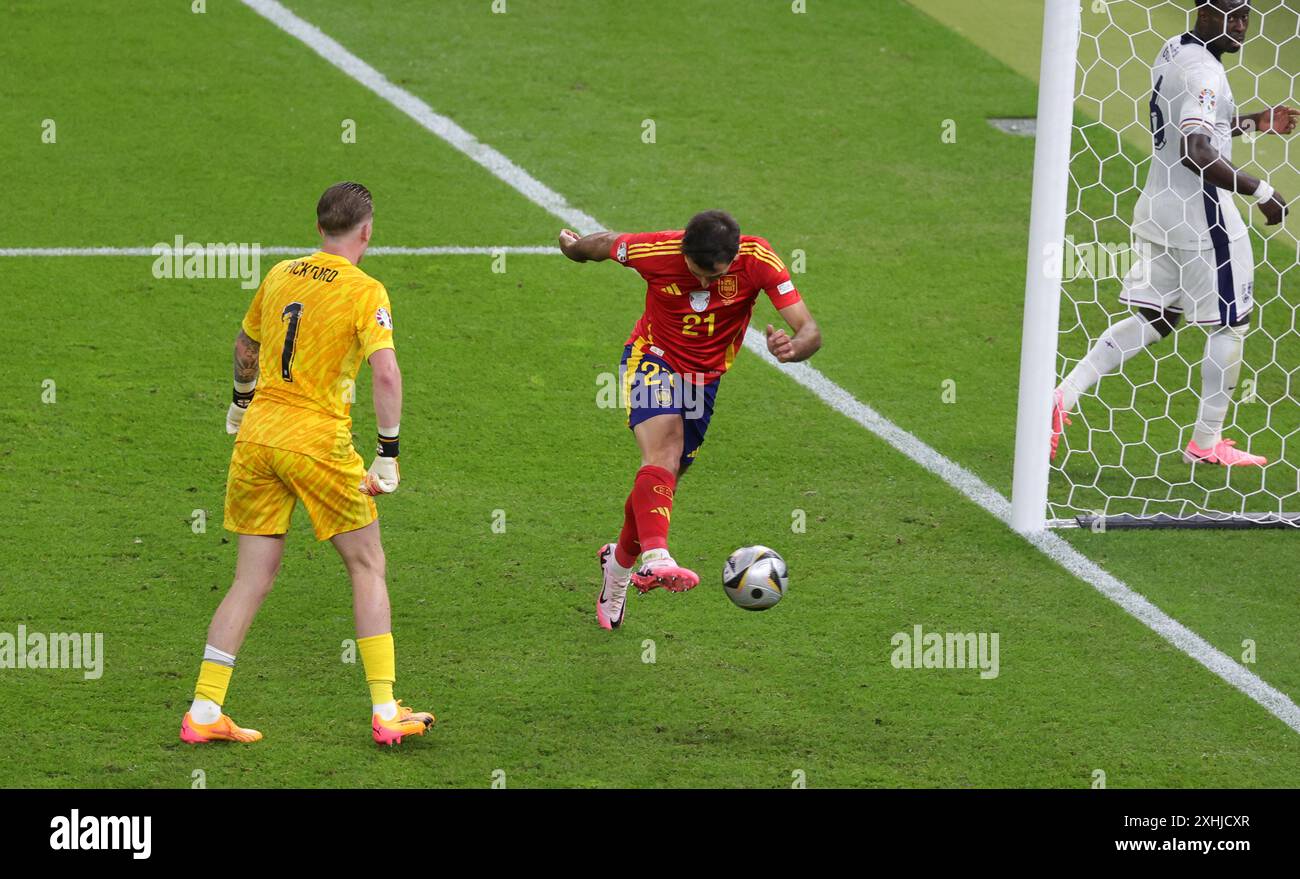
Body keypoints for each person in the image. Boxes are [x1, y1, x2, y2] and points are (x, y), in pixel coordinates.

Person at [180, 182, 434, 747]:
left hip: (257, 439)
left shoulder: (279, 274)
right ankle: (386, 708)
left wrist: (240, 400)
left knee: (249, 579)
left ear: (319, 227)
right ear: (366, 232)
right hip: (317, 443)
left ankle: (203, 709)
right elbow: (387, 374)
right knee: (367, 565)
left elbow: (246, 347)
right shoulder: (366, 290)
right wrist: (388, 452)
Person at [559, 210, 822, 630]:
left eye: (713, 277)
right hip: (654, 358)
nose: (703, 284)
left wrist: (795, 348)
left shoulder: (758, 259)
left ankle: (619, 565)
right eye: (696, 273)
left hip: (704, 381)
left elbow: (809, 330)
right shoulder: (656, 249)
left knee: (662, 484)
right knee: (663, 453)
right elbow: (605, 244)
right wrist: (573, 249)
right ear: (684, 251)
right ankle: (657, 557)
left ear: (732, 257)